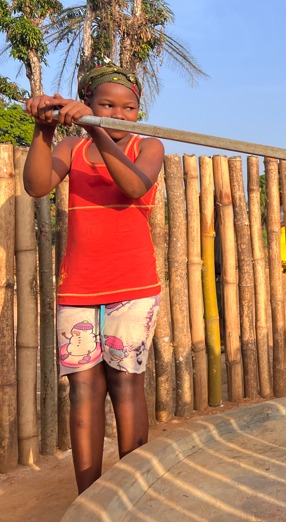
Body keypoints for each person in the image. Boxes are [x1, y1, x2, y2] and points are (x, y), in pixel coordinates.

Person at [24, 63, 164, 494]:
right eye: (106, 105)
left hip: (133, 288)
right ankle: (88, 500)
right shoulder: (71, 148)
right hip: (79, 288)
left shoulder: (148, 145)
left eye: (128, 108)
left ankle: (132, 494)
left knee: (126, 383)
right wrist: (43, 131)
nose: (118, 114)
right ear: (87, 102)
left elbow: (134, 187)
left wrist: (95, 127)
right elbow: (36, 186)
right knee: (82, 391)